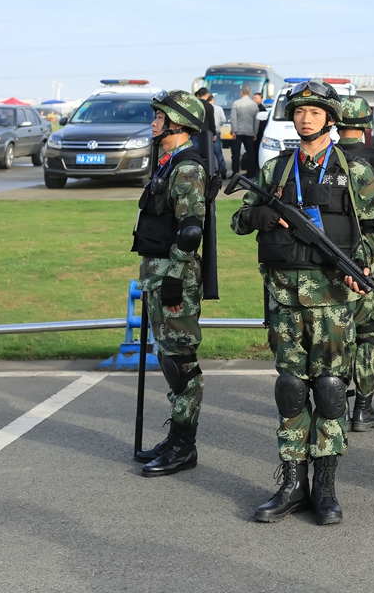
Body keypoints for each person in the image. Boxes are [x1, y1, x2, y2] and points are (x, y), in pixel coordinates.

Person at [230, 79, 374, 525]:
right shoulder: (276, 169)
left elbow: (373, 232)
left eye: (314, 112)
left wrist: (364, 267)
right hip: (284, 296)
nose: (305, 117)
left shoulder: (354, 172)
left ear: (331, 119)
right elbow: (240, 220)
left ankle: (326, 488)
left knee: (331, 390)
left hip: (333, 299)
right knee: (291, 390)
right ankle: (292, 484)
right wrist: (262, 214)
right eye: (298, 111)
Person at [131, 90, 209, 477]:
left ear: (178, 122)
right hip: (158, 274)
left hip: (173, 276)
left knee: (181, 364)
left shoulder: (187, 168)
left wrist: (176, 279)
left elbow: (191, 230)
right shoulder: (167, 163)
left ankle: (184, 446)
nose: (154, 122)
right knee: (169, 358)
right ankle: (176, 438)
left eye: (160, 116)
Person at [335, 95, 374, 431]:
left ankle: (334, 404)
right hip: (370, 261)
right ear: (364, 125)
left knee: (337, 332)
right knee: (369, 334)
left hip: (333, 260)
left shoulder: (326, 157)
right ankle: (363, 406)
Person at [194, 87, 227, 179]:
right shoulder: (209, 106)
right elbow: (211, 122)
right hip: (206, 134)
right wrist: (214, 133)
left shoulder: (194, 105)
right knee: (214, 153)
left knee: (196, 153)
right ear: (207, 95)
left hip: (195, 133)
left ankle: (197, 172)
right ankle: (218, 171)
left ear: (198, 95)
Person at [229, 85, 259, 178]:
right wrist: (255, 132)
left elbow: (233, 118)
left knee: (236, 153)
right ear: (250, 93)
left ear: (241, 92)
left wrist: (234, 131)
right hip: (250, 132)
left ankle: (235, 173)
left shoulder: (236, 103)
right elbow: (256, 120)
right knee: (250, 153)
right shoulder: (254, 105)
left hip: (238, 132)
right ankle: (250, 172)